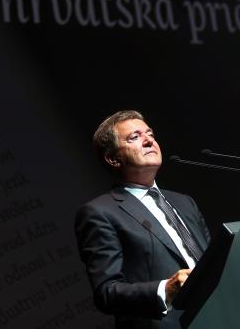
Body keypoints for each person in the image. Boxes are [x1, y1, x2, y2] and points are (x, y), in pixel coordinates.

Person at [75, 110, 211, 329]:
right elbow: (106, 292)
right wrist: (166, 289)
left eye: (150, 134)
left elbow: (213, 261)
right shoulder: (99, 213)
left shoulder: (185, 202)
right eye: (135, 137)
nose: (149, 141)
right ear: (113, 159)